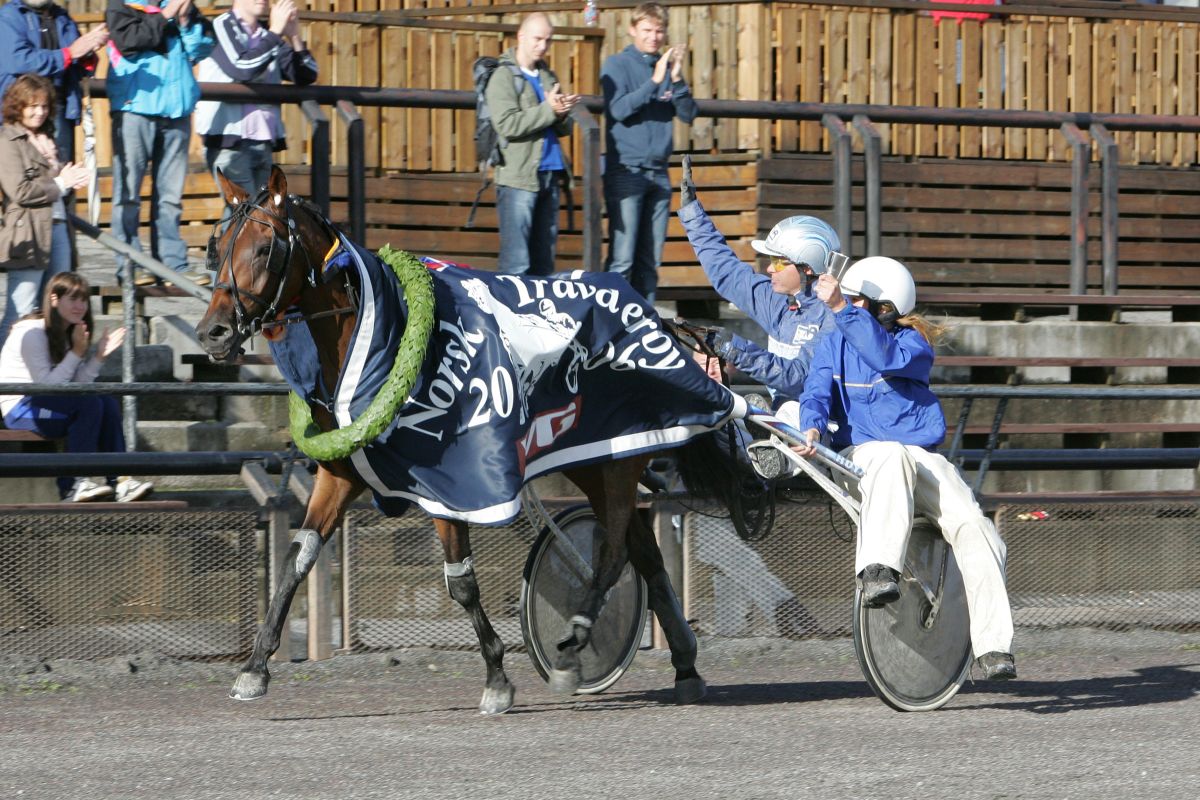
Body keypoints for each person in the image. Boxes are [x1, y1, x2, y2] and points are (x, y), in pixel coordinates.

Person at [790, 255, 1017, 680]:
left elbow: (884, 357)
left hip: (923, 459)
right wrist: (813, 429)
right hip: (867, 457)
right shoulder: (833, 343)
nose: (847, 307)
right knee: (890, 455)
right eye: (848, 302)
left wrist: (840, 308)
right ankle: (877, 571)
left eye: (857, 302)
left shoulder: (912, 344)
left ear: (885, 308)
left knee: (976, 525)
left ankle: (993, 648)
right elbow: (815, 394)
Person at [0, 271, 153, 502]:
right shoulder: (30, 333)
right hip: (20, 408)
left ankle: (121, 481)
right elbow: (47, 387)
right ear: (54, 299)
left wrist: (99, 357)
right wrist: (77, 353)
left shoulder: (69, 332)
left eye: (83, 300)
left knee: (106, 402)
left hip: (48, 403)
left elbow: (75, 387)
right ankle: (73, 485)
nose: (79, 306)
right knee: (89, 403)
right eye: (72, 299)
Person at [105, 0, 214, 287]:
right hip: (134, 108)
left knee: (169, 197)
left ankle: (172, 265)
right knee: (127, 195)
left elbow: (201, 49)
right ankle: (129, 264)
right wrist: (166, 16)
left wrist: (186, 21)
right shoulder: (123, 5)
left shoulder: (180, 7)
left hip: (176, 112)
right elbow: (129, 40)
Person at [601, 1, 696, 302]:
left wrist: (676, 78)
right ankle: (608, 323)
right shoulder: (617, 64)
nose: (654, 37)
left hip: (659, 172)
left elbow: (689, 113)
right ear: (633, 30)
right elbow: (617, 109)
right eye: (647, 30)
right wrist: (654, 81)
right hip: (626, 170)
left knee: (650, 261)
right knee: (623, 259)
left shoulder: (668, 68)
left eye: (659, 31)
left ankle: (643, 328)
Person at [194, 0, 318, 215]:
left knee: (251, 219)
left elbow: (307, 74)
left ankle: (222, 249)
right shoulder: (221, 26)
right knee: (247, 215)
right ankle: (221, 249)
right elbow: (243, 68)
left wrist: (294, 35)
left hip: (263, 140)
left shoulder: (267, 35)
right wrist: (276, 31)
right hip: (229, 141)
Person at [0, 74, 90, 350]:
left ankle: (46, 374)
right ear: (18, 105)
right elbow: (20, 190)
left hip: (59, 226)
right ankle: (6, 380)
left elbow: (54, 187)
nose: (39, 112)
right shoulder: (7, 139)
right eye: (32, 106)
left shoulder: (47, 139)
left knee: (56, 307)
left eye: (44, 106)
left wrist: (70, 180)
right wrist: (62, 182)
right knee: (22, 310)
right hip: (28, 231)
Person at [485, 12, 577, 277]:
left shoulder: (547, 75)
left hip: (549, 175)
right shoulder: (503, 76)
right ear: (521, 36)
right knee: (517, 264)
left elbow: (563, 129)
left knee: (544, 263)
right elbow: (507, 125)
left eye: (548, 40)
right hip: (518, 179)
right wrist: (549, 110)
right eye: (538, 39)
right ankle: (510, 317)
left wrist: (561, 113)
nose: (543, 46)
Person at [0, 0, 108, 164]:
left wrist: (88, 52)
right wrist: (69, 54)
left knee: (63, 177)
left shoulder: (62, 17)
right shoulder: (9, 17)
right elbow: (20, 61)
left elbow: (77, 64)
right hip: (22, 111)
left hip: (58, 108)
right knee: (27, 180)